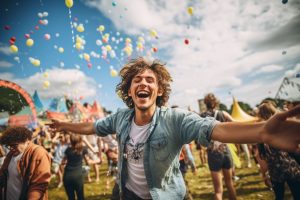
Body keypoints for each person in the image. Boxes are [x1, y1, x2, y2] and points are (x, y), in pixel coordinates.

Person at [49, 57, 300, 200]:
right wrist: (63, 124)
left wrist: (262, 132)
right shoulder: (120, 118)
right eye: (137, 80)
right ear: (129, 90)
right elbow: (92, 126)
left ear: (158, 91)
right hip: (126, 194)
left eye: (150, 80)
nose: (143, 83)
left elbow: (215, 129)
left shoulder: (175, 119)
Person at [256, 101, 300, 200]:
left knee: (279, 196)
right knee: (297, 194)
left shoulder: (260, 132)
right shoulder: (284, 126)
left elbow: (260, 156)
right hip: (290, 166)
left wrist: (264, 175)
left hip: (275, 170)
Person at [200, 93, 236, 200]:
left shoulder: (202, 116)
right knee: (230, 184)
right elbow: (236, 124)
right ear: (216, 102)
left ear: (205, 103)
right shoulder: (223, 113)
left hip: (213, 153)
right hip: (225, 151)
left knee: (218, 190)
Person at [0, 126, 51, 200]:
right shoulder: (10, 154)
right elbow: (3, 174)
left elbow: (39, 185)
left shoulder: (39, 153)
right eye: (9, 146)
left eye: (14, 145)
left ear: (27, 141)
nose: (11, 149)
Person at [63, 134, 90, 200]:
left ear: (71, 141)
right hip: (78, 177)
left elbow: (63, 162)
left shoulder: (68, 150)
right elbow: (88, 162)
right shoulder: (83, 149)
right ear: (80, 140)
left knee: (71, 198)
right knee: (80, 197)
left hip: (67, 176)